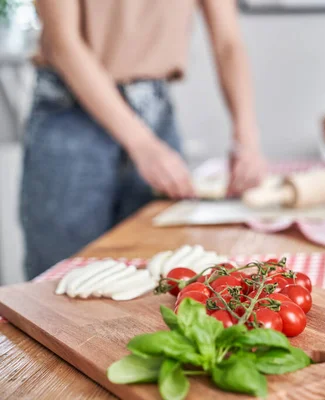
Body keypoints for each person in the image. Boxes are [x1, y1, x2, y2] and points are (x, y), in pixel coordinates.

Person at [20, 0, 266, 280]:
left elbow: (228, 42)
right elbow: (62, 42)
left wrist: (246, 138)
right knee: (60, 279)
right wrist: (143, 145)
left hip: (155, 113)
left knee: (162, 272)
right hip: (70, 116)